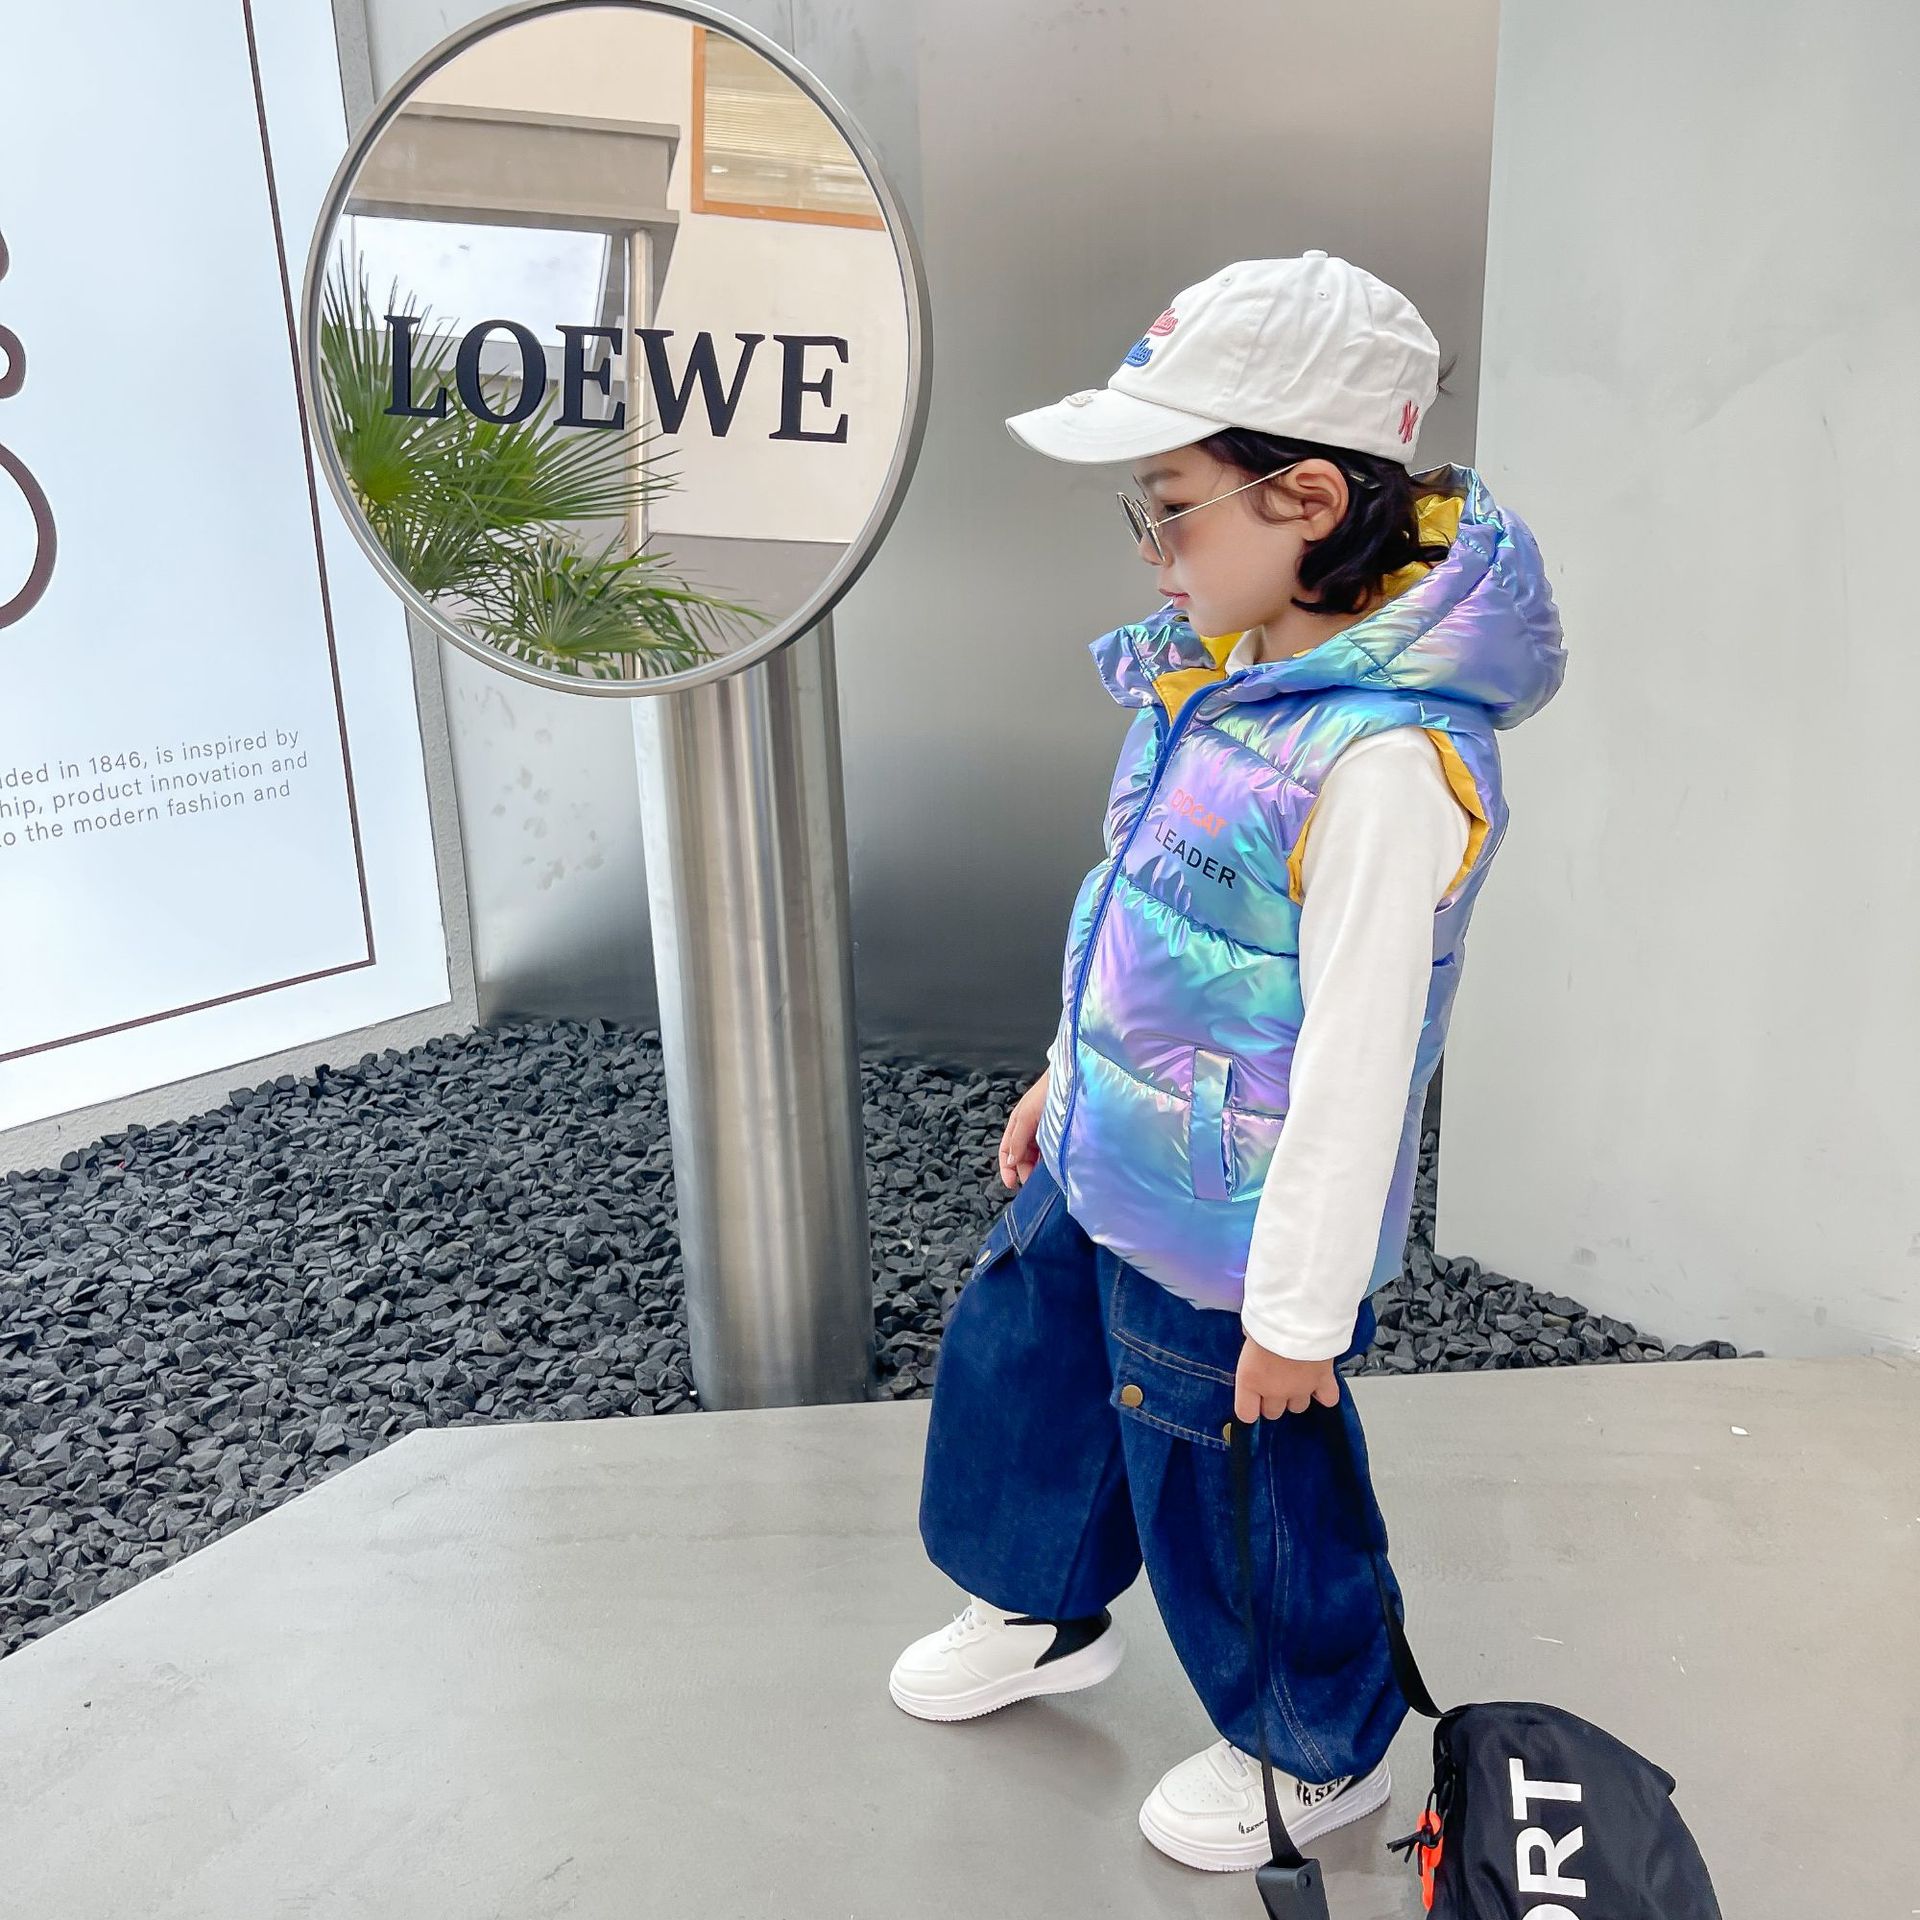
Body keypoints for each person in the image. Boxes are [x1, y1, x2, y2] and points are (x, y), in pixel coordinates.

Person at [888, 252, 1565, 1874]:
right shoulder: (1226, 673)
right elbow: (1138, 914)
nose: (1154, 548)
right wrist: (1066, 1073)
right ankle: (1045, 1608)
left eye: (1172, 507)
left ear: (1309, 499)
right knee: (1027, 1373)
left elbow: (1362, 1063)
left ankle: (1317, 1746)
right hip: (1109, 1148)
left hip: (1232, 1226)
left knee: (1232, 1477)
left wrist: (1297, 1313)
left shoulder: (1383, 764)